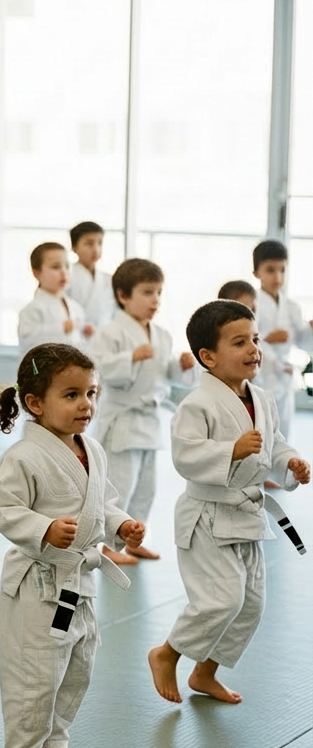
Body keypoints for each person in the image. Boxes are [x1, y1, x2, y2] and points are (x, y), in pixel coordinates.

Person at [0, 344, 145, 748]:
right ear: (35, 404)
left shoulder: (91, 449)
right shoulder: (22, 456)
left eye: (91, 393)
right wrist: (42, 528)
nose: (86, 405)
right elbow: (4, 509)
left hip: (80, 581)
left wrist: (123, 526)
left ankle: (55, 741)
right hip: (39, 584)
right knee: (37, 670)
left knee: (78, 664)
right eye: (72, 394)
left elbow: (103, 502)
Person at [148, 300, 310, 705]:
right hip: (206, 516)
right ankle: (167, 653)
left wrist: (290, 463)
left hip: (246, 515)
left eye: (254, 339)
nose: (254, 349)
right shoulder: (196, 405)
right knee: (222, 599)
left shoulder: (263, 398)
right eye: (240, 342)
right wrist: (231, 451)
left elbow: (273, 445)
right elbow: (185, 456)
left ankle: (205, 672)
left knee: (251, 604)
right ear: (208, 357)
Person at [91, 259, 196, 564]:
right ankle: (110, 546)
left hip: (150, 419)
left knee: (146, 488)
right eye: (147, 292)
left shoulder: (161, 334)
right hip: (123, 418)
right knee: (120, 486)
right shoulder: (111, 332)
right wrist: (130, 358)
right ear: (123, 296)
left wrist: (181, 366)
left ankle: (133, 541)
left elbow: (167, 375)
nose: (155, 300)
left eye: (159, 293)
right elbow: (96, 369)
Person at [250, 239, 313, 440]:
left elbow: (302, 342)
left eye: (282, 270)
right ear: (257, 272)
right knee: (261, 432)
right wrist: (267, 338)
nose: (277, 276)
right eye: (270, 270)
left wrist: (309, 330)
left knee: (283, 433)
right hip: (260, 373)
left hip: (284, 377)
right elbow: (244, 339)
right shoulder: (253, 303)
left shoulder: (292, 307)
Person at [17, 243, 86, 353]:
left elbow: (79, 342)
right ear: (37, 273)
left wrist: (86, 332)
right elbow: (28, 340)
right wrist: (61, 328)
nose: (64, 272)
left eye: (67, 266)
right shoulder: (32, 310)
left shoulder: (75, 307)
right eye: (55, 267)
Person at [67, 221, 115, 338]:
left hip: (103, 338)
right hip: (75, 338)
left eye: (99, 243)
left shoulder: (108, 279)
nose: (95, 249)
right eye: (89, 244)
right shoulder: (66, 277)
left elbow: (114, 312)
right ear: (74, 247)